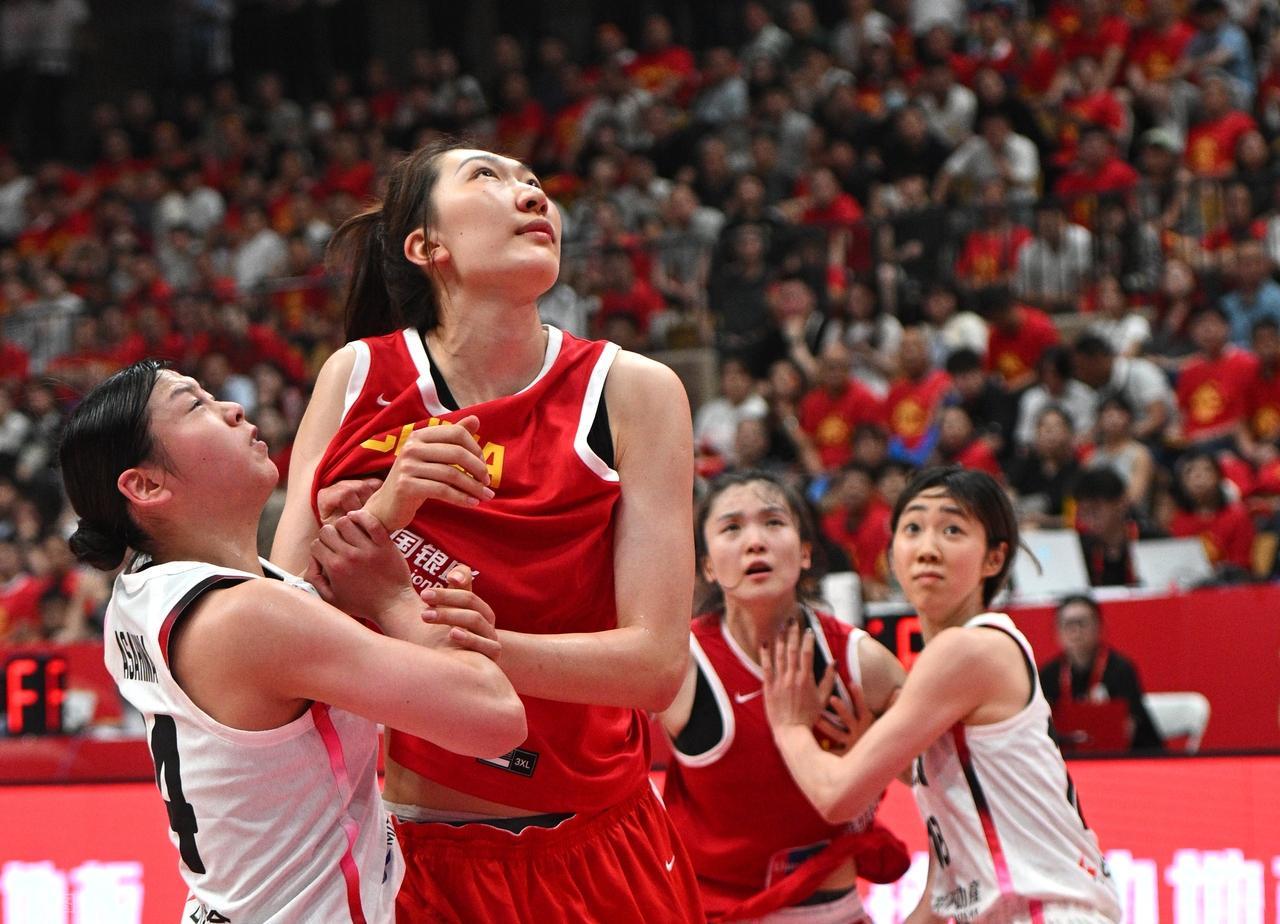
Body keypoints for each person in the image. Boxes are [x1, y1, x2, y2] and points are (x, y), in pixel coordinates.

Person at [268, 143, 702, 921]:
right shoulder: (358, 377)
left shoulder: (633, 390)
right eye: (488, 178)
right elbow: (279, 628)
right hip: (418, 852)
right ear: (426, 245)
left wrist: (480, 651)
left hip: (597, 840)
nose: (532, 194)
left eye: (534, 183)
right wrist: (389, 508)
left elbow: (656, 667)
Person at [57, 361, 527, 922]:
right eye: (196, 406)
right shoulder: (248, 619)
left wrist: (386, 509)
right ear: (146, 485)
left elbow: (298, 624)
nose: (233, 408)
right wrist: (395, 601)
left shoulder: (139, 593)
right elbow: (495, 721)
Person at [761, 466, 1122, 923]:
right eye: (913, 528)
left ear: (994, 559)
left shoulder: (969, 649)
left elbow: (836, 797)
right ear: (892, 554)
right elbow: (943, 896)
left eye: (952, 529)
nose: (928, 547)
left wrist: (789, 726)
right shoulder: (953, 728)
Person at [660, 470, 909, 921]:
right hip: (712, 911)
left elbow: (942, 777)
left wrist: (874, 754)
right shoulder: (679, 664)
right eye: (732, 528)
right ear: (708, 566)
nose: (755, 542)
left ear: (806, 552)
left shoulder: (860, 661)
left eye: (773, 522)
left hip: (832, 910)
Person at [1039, 595, 1165, 752]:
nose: (1075, 631)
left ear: (1099, 626)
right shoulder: (1049, 674)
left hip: (1124, 755)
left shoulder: (1120, 669)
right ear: (1057, 631)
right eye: (1068, 624)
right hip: (1070, 756)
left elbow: (1131, 724)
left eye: (1082, 623)